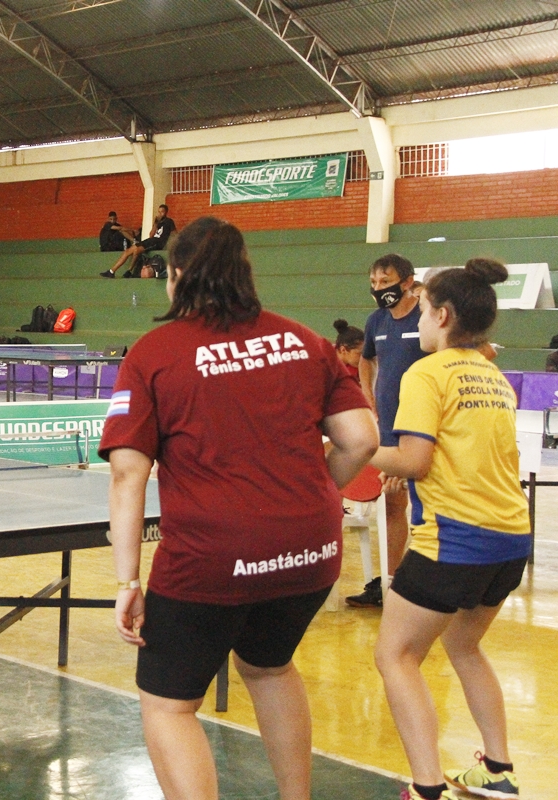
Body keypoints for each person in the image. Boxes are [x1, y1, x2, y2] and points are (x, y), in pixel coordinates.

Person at [101, 216, 377, 800]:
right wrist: (316, 498)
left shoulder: (153, 353)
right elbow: (361, 440)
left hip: (211, 558)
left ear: (175, 276)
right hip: (311, 551)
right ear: (245, 273)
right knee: (270, 668)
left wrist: (127, 579)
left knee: (170, 706)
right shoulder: (305, 341)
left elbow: (129, 474)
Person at [370, 258, 529, 800]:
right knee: (464, 645)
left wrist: (359, 451)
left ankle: (426, 786)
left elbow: (413, 460)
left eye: (425, 310)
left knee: (396, 655)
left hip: (454, 540)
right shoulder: (494, 376)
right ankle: (498, 770)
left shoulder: (427, 372)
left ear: (441, 314)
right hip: (511, 540)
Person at [350, 254, 426, 609]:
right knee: (393, 501)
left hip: (424, 425)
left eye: (386, 281)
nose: (379, 288)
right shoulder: (376, 320)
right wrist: (367, 393)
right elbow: (366, 359)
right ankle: (393, 583)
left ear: (407, 281)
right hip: (389, 425)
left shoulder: (426, 317)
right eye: (375, 283)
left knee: (428, 503)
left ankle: (428, 577)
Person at [101, 205, 176, 278]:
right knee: (127, 251)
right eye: (159, 212)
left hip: (158, 242)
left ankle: (129, 270)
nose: (160, 214)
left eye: (162, 212)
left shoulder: (169, 221)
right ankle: (112, 271)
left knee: (137, 250)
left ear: (166, 212)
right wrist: (155, 224)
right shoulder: (157, 222)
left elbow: (174, 233)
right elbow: (151, 235)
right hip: (151, 240)